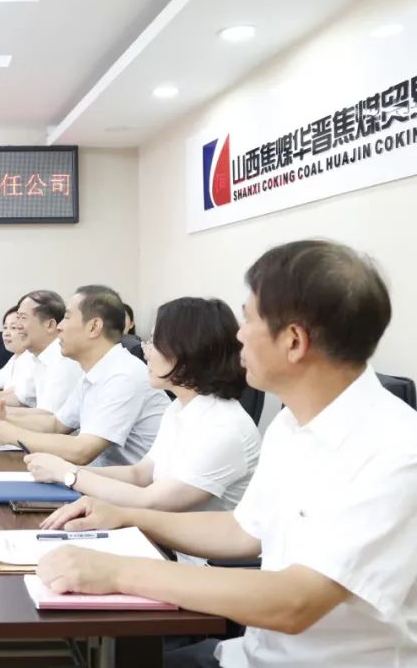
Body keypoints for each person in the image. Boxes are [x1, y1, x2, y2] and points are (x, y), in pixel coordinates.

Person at [36, 241, 417, 668]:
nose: (238, 335)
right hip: (249, 655)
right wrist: (125, 516)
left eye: (249, 319)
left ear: (294, 341)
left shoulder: (395, 451)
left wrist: (116, 572)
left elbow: (296, 602)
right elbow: (242, 531)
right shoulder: (290, 426)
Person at [27, 297, 260, 563]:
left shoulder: (224, 428)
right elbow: (140, 474)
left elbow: (151, 500)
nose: (146, 352)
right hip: (161, 547)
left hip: (197, 566)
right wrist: (60, 471)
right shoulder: (180, 408)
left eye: (154, 343)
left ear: (187, 350)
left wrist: (69, 474)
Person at [0, 285, 168, 467]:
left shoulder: (123, 374)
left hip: (132, 485)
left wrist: (11, 434)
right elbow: (56, 424)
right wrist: (6, 418)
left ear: (94, 327)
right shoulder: (94, 371)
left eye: (67, 317)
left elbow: (82, 451)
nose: (60, 327)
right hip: (100, 477)